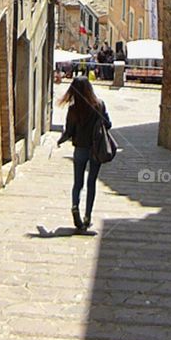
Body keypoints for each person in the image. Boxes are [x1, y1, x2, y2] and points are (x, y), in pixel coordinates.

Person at [57, 76, 112, 231]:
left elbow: (69, 131)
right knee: (91, 182)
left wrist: (61, 140)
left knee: (78, 183)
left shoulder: (73, 109)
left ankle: (75, 206)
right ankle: (87, 216)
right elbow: (108, 124)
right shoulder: (99, 105)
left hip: (80, 148)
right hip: (96, 149)